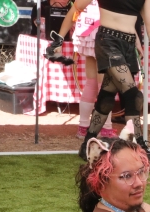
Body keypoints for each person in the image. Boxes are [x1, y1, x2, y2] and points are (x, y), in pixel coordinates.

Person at [70, 0, 150, 166]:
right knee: (133, 96)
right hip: (107, 41)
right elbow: (78, 7)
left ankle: (86, 144)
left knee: (106, 96)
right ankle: (141, 151)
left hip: (128, 45)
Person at [49, 0, 116, 139]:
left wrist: (59, 38)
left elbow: (76, 8)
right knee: (104, 85)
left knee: (92, 83)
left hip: (88, 28)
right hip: (102, 30)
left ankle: (84, 127)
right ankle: (105, 128)